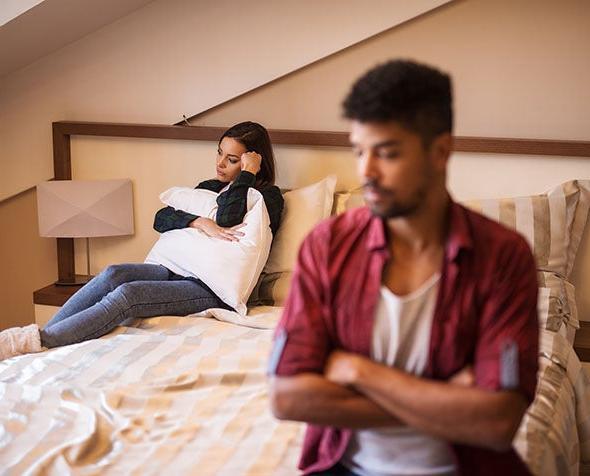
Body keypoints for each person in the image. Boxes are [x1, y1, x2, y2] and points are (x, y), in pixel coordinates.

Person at [269, 60, 539, 476]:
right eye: (359, 151)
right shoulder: (326, 247)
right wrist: (448, 401)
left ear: (441, 151)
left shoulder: (503, 256)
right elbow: (287, 397)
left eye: (388, 153)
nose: (366, 171)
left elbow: (497, 424)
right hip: (342, 467)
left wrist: (360, 371)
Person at [0, 121, 284, 360]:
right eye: (219, 153)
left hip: (209, 288)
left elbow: (228, 218)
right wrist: (199, 222)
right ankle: (39, 340)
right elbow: (161, 218)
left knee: (129, 295)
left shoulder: (269, 198)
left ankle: (39, 342)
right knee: (114, 274)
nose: (220, 164)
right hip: (175, 268)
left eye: (232, 160)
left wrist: (247, 175)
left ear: (253, 160)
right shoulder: (209, 188)